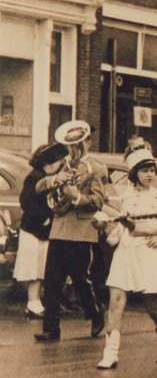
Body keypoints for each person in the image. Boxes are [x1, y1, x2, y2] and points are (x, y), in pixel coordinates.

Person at [34, 120, 109, 343]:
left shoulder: (96, 168)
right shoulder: (61, 165)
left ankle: (95, 314)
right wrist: (56, 179)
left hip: (81, 230)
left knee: (79, 279)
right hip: (59, 228)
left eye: (79, 142)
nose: (73, 148)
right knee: (52, 280)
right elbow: (38, 186)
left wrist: (76, 196)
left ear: (88, 141)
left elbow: (98, 201)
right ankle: (51, 329)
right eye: (70, 144)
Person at [95, 146, 157, 369]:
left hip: (150, 251)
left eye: (152, 170)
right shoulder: (123, 198)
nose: (149, 175)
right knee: (115, 300)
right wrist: (104, 227)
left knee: (152, 306)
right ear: (134, 172)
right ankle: (111, 352)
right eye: (144, 170)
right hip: (126, 252)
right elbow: (115, 235)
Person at [16, 143, 66, 319]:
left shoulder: (41, 176)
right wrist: (44, 218)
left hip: (40, 229)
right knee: (35, 268)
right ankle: (33, 302)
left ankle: (36, 302)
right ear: (48, 162)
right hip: (35, 229)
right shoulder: (36, 177)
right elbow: (26, 202)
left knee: (41, 267)